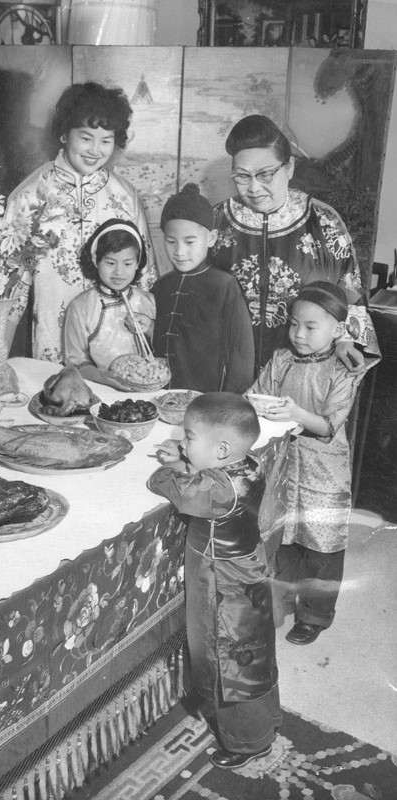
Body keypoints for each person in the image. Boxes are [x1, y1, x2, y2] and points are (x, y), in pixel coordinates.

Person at [148, 393, 280, 769]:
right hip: (249, 570)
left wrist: (170, 466)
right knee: (253, 654)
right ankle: (266, 721)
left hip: (222, 580)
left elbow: (175, 489)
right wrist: (190, 455)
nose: (183, 442)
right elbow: (208, 477)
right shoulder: (250, 462)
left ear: (221, 449)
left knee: (228, 662)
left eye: (189, 437)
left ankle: (247, 742)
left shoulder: (217, 489)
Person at [247, 281, 379, 645]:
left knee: (321, 544)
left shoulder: (343, 370)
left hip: (324, 470)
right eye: (293, 324)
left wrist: (295, 413)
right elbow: (257, 394)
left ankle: (315, 615)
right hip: (284, 464)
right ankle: (283, 601)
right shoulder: (282, 360)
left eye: (310, 327)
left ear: (337, 331)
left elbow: (328, 425)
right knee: (285, 537)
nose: (298, 335)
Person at [208, 114, 380, 376]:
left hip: (302, 369)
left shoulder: (323, 220)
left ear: (289, 168)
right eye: (242, 176)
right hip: (226, 365)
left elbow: (351, 290)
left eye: (265, 174)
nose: (254, 188)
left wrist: (347, 339)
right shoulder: (216, 220)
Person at [4, 81, 156, 363]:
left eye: (106, 141)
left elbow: (145, 279)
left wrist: (147, 325)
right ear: (64, 134)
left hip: (118, 347)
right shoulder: (29, 196)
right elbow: (8, 290)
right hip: (55, 344)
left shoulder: (126, 197)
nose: (95, 150)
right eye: (86, 138)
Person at [150, 183, 254, 392]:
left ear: (211, 238)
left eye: (190, 242)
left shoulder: (225, 286)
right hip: (159, 397)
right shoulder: (160, 286)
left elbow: (241, 354)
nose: (179, 251)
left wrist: (227, 404)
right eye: (171, 241)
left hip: (205, 400)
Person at [63, 219, 155, 389]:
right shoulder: (80, 306)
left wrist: (150, 327)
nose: (119, 272)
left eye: (127, 263)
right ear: (95, 261)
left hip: (148, 390)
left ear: (137, 264)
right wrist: (102, 377)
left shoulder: (149, 301)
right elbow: (75, 362)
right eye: (110, 263)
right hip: (101, 389)